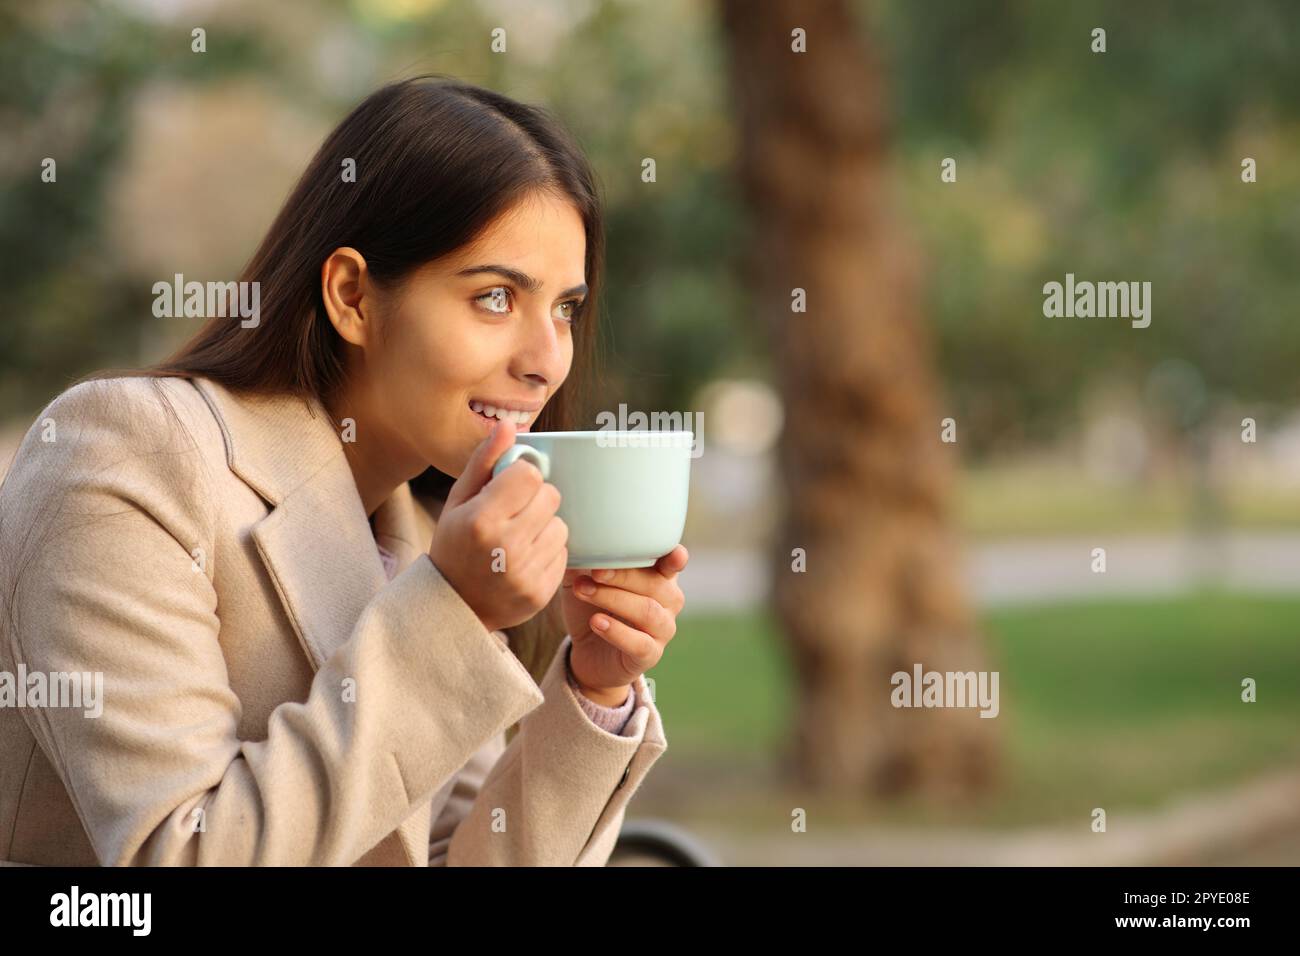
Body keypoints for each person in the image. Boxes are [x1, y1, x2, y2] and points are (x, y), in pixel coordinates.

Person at [0, 75, 687, 866]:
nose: (545, 363)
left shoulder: (422, 531)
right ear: (353, 296)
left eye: (564, 308)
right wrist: (453, 611)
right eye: (496, 298)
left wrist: (593, 692)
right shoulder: (128, 452)